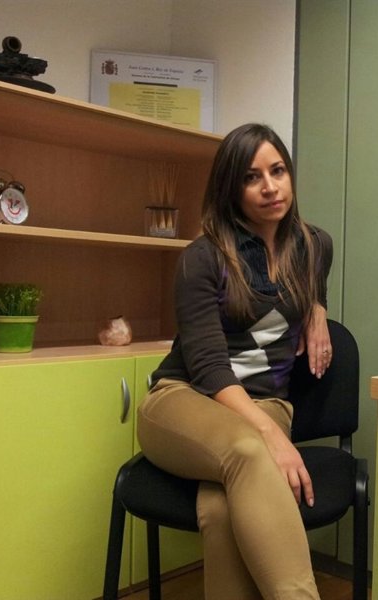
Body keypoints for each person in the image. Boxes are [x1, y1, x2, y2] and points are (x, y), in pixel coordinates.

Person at [137, 123, 333, 599]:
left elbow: (314, 284)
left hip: (267, 402)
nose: (270, 187)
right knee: (248, 451)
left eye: (278, 171)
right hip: (185, 398)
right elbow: (207, 367)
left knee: (223, 511)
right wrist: (272, 438)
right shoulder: (202, 258)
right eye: (251, 177)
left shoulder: (314, 245)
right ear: (230, 187)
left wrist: (318, 312)